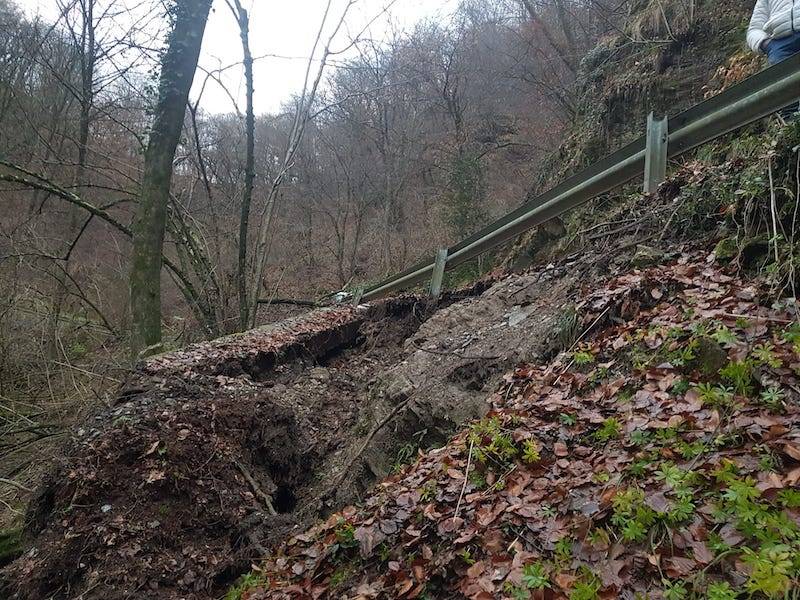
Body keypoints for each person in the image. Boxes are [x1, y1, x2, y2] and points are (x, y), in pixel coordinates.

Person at [747, 0, 800, 119]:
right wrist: (767, 45)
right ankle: (792, 128)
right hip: (780, 43)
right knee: (785, 92)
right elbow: (754, 29)